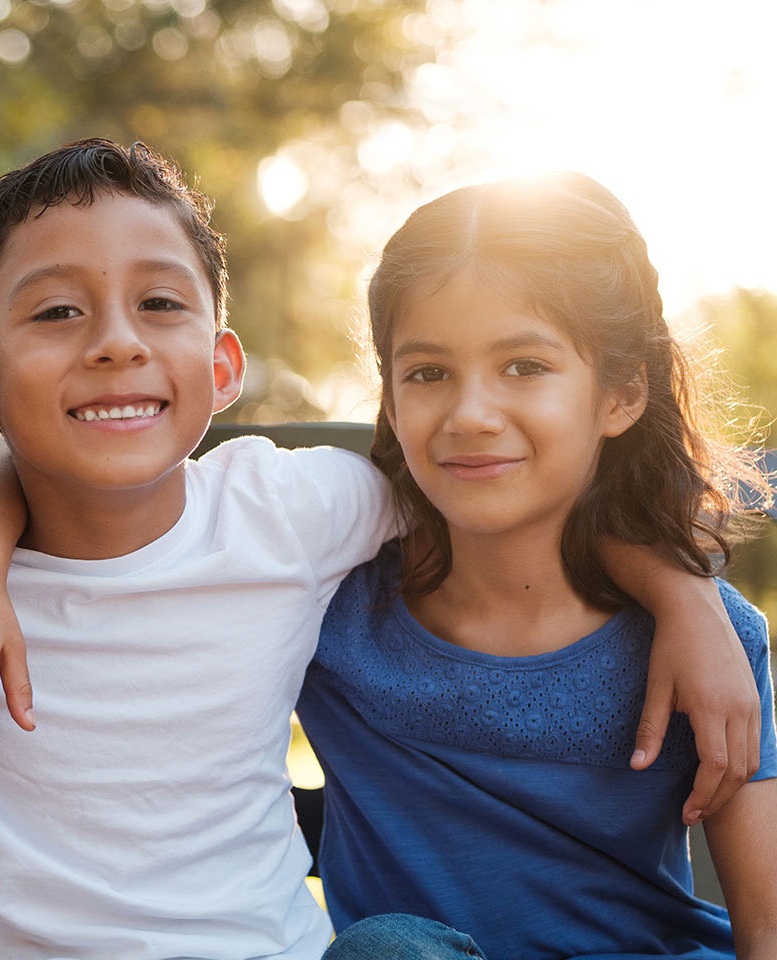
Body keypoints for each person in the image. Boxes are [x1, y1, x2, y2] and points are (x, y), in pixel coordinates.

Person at [0, 141, 760, 957]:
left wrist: (687, 595)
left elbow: (515, 499)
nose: (113, 342)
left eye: (159, 304)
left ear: (222, 368)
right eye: (56, 312)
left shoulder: (296, 512)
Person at [297, 173, 777, 957]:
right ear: (388, 396)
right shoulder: (324, 601)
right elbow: (82, 491)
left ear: (620, 393)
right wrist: (9, 524)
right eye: (427, 373)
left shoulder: (706, 644)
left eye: (524, 366)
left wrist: (689, 599)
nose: (471, 414)